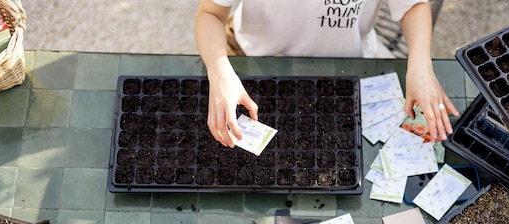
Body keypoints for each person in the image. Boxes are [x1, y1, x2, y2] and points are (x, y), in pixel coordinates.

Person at [194, 0, 458, 148]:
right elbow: (210, 14)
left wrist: (420, 62)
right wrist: (219, 69)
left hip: (344, 61)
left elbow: (412, 5)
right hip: (252, 54)